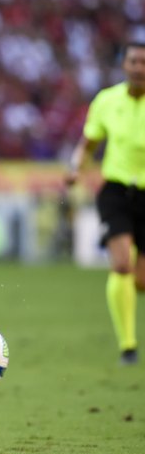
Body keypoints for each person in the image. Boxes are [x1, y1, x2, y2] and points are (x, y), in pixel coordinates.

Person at [66, 41, 145, 366]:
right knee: (121, 263)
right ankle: (128, 346)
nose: (139, 68)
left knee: (140, 280)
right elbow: (89, 143)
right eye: (133, 61)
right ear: (123, 66)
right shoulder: (107, 101)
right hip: (116, 191)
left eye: (143, 62)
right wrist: (75, 169)